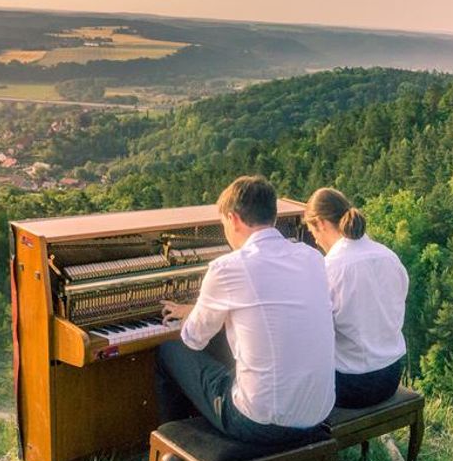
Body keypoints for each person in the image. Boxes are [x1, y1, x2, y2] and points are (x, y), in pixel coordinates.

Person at [155, 176, 336, 444]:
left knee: (170, 351)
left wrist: (201, 312)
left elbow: (194, 338)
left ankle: (177, 446)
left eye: (223, 224)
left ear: (234, 218)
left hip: (260, 423)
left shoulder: (227, 268)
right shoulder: (312, 257)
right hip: (318, 413)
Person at [305, 188, 408, 408]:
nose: (316, 241)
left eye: (312, 233)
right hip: (392, 375)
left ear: (320, 223)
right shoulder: (389, 257)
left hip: (351, 386)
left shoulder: (329, 268)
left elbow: (315, 332)